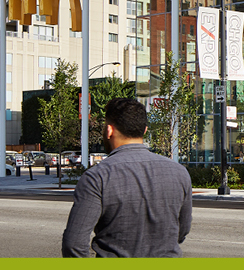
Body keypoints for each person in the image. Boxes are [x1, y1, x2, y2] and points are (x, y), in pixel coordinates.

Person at [62, 98, 193, 257]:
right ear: (144, 130)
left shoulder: (97, 177)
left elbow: (74, 244)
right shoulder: (179, 172)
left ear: (109, 130)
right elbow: (181, 231)